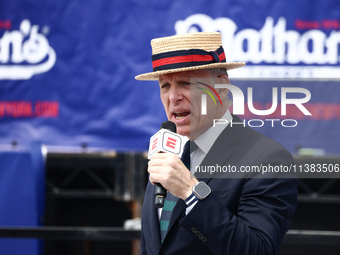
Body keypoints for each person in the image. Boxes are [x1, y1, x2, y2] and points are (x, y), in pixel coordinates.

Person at [135, 32, 298, 255]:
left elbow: (258, 249)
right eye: (164, 86)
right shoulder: (166, 151)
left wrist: (190, 192)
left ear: (222, 88)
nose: (173, 97)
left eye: (185, 83)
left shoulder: (268, 159)